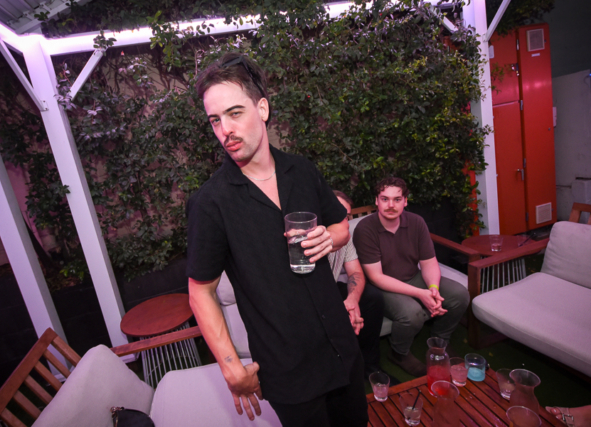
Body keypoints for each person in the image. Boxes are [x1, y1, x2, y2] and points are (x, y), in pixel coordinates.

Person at [186, 53, 368, 427]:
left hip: (341, 347)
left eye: (235, 113)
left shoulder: (302, 170)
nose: (225, 130)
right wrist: (231, 367)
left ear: (263, 109)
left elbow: (341, 227)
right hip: (288, 369)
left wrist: (327, 238)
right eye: (215, 120)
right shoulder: (211, 203)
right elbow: (200, 291)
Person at [353, 177, 469, 377]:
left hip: (413, 276)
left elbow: (429, 262)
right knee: (411, 313)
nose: (391, 205)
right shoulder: (365, 229)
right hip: (382, 286)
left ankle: (440, 341)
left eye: (397, 199)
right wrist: (420, 293)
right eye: (385, 199)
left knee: (459, 294)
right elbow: (377, 277)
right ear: (376, 201)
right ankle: (399, 353)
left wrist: (433, 288)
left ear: (405, 201)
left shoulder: (416, 222)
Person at [328, 191, 385, 378]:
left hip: (331, 287)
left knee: (372, 297)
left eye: (346, 216)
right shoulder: (308, 239)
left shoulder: (344, 237)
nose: (345, 222)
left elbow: (356, 273)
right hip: (307, 296)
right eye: (338, 214)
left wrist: (352, 300)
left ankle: (370, 366)